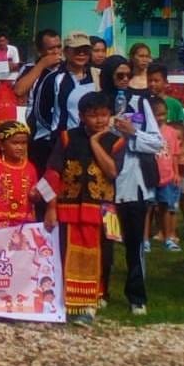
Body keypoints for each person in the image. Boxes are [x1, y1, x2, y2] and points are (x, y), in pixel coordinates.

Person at [43, 92, 122, 325]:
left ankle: (93, 300)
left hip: (104, 209)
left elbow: (112, 172)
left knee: (103, 256)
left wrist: (95, 143)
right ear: (81, 116)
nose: (99, 120)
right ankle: (66, 301)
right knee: (67, 254)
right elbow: (52, 173)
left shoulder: (116, 141)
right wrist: (51, 207)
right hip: (69, 207)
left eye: (104, 115)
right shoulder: (67, 138)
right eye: (93, 115)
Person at [98, 54, 163, 314]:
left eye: (128, 75)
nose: (125, 80)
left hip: (133, 185)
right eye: (119, 75)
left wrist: (133, 132)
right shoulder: (98, 104)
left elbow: (157, 142)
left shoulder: (140, 102)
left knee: (134, 245)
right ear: (108, 76)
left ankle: (136, 297)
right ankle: (101, 291)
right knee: (105, 244)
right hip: (105, 185)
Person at [145, 61, 184, 243]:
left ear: (165, 82)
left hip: (174, 155)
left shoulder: (174, 104)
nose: (153, 84)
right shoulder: (146, 103)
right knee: (159, 196)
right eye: (150, 80)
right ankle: (163, 230)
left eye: (157, 80)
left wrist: (182, 151)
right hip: (158, 158)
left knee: (183, 192)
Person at [28, 32, 96, 173]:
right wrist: (56, 132)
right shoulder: (54, 78)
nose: (81, 54)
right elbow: (40, 111)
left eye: (85, 50)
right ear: (66, 52)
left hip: (91, 142)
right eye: (77, 50)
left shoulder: (96, 76)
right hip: (60, 144)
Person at [148, 95, 184, 251]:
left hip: (167, 176)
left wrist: (176, 173)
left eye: (163, 114)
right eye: (157, 115)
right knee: (148, 208)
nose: (161, 118)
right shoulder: (146, 132)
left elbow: (174, 155)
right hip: (150, 177)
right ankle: (144, 239)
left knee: (167, 207)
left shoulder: (171, 132)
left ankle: (169, 237)